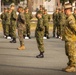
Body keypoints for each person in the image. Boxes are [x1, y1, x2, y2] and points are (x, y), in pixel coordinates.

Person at [62, 3, 76, 72]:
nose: (64, 11)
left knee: (71, 53)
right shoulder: (67, 18)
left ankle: (73, 66)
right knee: (68, 52)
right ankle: (70, 64)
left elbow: (75, 28)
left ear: (68, 10)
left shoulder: (71, 18)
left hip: (71, 39)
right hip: (67, 38)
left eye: (65, 10)